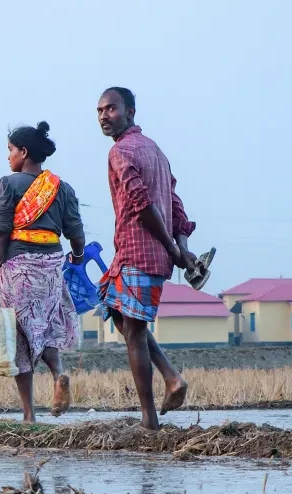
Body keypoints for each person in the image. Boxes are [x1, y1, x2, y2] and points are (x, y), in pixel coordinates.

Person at [96, 87, 195, 430]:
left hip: (140, 251)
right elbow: (174, 201)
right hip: (138, 253)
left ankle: (149, 419)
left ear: (131, 111)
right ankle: (171, 376)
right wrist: (180, 246)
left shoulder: (121, 152)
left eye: (111, 109)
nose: (104, 116)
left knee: (134, 332)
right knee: (121, 316)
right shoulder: (154, 149)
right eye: (99, 111)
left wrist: (173, 246)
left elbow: (143, 204)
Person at [0, 121, 83, 422]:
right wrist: (75, 257)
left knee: (21, 337)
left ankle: (29, 414)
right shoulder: (63, 188)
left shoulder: (7, 185)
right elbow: (76, 234)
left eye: (10, 150)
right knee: (45, 328)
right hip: (51, 267)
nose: (8, 157)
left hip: (18, 269)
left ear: (23, 152)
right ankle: (58, 373)